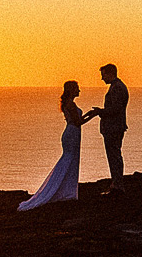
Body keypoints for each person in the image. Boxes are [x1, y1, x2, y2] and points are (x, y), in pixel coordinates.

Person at [19, 81, 97, 211]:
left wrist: (89, 114)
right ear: (72, 90)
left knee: (70, 161)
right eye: (77, 89)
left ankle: (67, 190)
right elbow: (78, 122)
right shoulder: (70, 104)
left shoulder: (68, 103)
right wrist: (93, 116)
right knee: (68, 161)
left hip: (72, 133)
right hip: (72, 133)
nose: (79, 91)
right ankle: (62, 190)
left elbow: (77, 119)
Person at [92, 63, 129, 191]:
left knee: (114, 156)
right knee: (115, 155)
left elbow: (115, 109)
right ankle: (116, 183)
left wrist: (100, 112)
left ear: (110, 73)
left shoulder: (117, 88)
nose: (102, 79)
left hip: (113, 127)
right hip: (115, 127)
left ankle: (117, 184)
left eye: (103, 75)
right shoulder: (117, 86)